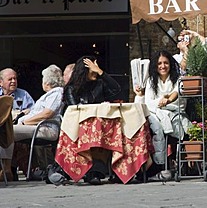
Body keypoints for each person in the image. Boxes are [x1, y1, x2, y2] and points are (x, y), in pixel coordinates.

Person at [63, 56, 121, 185]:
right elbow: (74, 112)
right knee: (93, 133)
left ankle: (109, 170)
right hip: (80, 127)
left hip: (100, 127)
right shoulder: (71, 89)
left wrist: (101, 72)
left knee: (116, 132)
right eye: (93, 69)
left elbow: (116, 89)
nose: (95, 71)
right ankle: (92, 172)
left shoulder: (100, 84)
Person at [134, 50, 191, 176]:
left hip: (174, 114)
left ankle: (160, 167)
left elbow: (180, 101)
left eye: (165, 63)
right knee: (154, 128)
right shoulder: (150, 82)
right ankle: (155, 165)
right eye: (159, 63)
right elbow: (149, 103)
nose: (163, 66)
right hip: (155, 115)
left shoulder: (178, 80)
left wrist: (167, 102)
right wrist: (162, 102)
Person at [13, 65, 64, 176]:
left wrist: (25, 122)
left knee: (5, 132)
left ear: (47, 82)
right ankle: (9, 169)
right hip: (38, 127)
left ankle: (7, 169)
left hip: (45, 128)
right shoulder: (50, 94)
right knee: (6, 133)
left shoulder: (57, 93)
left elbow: (47, 113)